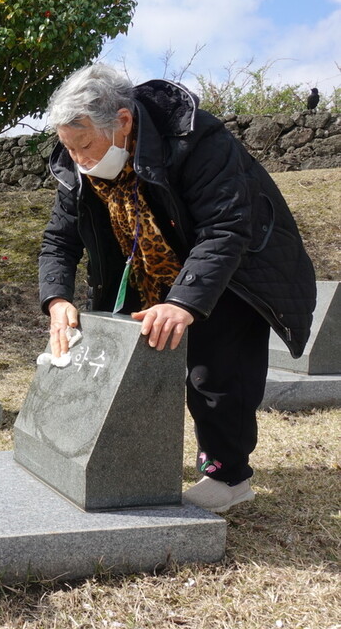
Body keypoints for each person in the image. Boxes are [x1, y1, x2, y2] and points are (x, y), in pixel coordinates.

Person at [39, 63, 316, 513]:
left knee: (214, 370)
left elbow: (226, 227)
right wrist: (56, 299)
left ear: (123, 122)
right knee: (118, 357)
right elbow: (59, 239)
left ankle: (228, 475)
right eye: (70, 149)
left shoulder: (195, 138)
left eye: (85, 145)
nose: (79, 161)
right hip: (142, 267)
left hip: (232, 266)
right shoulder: (76, 167)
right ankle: (123, 462)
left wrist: (183, 302)